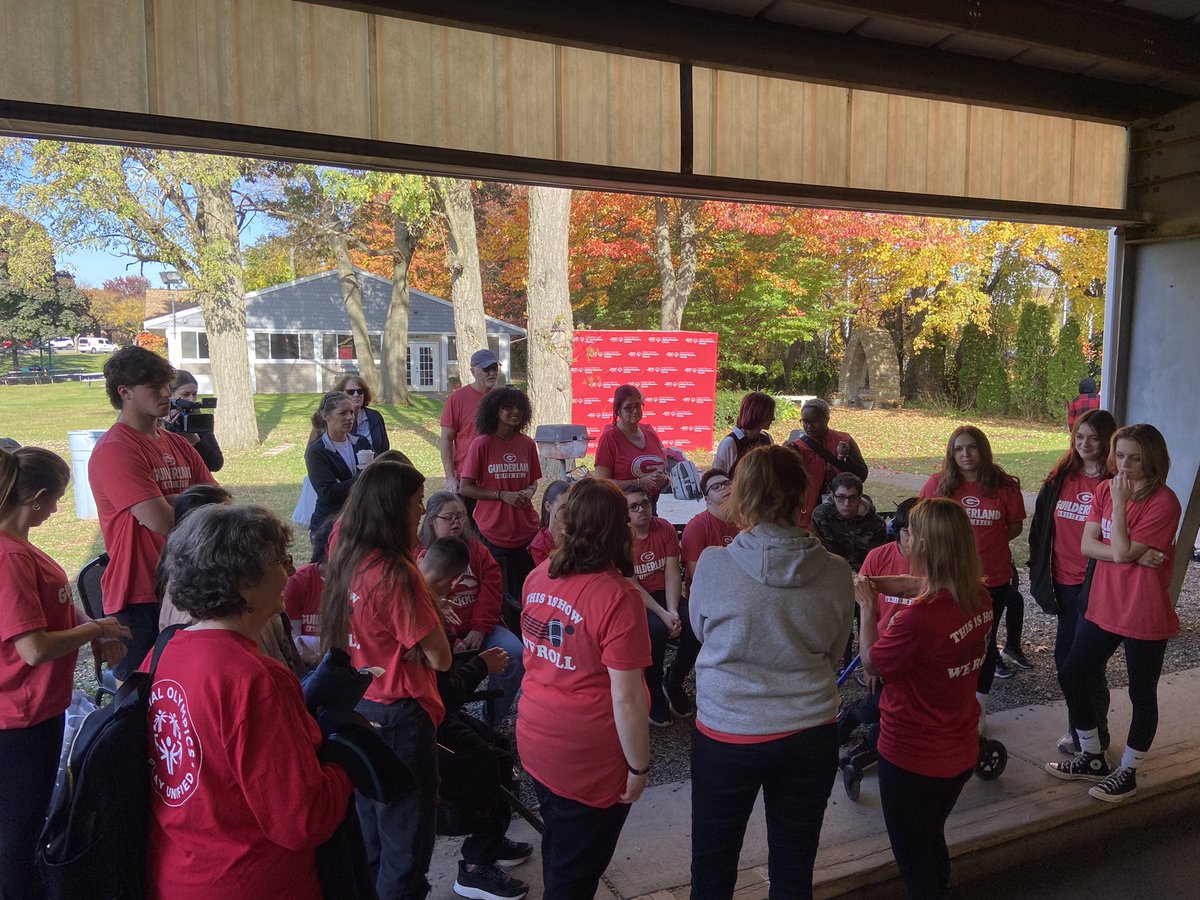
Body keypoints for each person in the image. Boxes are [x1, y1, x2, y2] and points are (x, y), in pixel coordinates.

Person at [144, 504, 356, 900]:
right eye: (279, 560)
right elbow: (302, 821)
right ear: (243, 581)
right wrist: (346, 766)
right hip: (251, 879)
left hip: (179, 873)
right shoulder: (255, 678)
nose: (290, 572)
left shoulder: (163, 652)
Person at [688, 445, 854, 900]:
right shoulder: (837, 572)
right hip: (809, 733)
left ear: (742, 496)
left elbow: (701, 632)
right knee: (794, 868)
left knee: (713, 866)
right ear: (802, 494)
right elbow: (837, 650)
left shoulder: (713, 565)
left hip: (727, 733)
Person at [0, 447, 130, 899]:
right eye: (55, 500)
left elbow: (48, 608)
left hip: (33, 710)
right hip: (21, 717)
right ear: (35, 498)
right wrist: (95, 627)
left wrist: (83, 627)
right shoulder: (10, 557)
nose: (57, 508)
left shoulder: (19, 548)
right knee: (19, 835)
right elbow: (33, 648)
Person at [321, 461, 452, 900]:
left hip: (359, 709)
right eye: (416, 502)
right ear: (393, 508)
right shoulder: (396, 573)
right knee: (407, 849)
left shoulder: (345, 554)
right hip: (401, 716)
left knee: (373, 834)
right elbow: (441, 656)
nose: (420, 512)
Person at [517, 478, 652, 900]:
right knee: (576, 873)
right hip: (587, 759)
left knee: (561, 841)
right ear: (619, 528)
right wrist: (640, 766)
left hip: (537, 738)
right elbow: (626, 698)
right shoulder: (618, 596)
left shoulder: (538, 576)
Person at [855, 498, 992, 900]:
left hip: (913, 756)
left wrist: (867, 609)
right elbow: (917, 585)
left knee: (912, 856)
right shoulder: (977, 597)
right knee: (931, 834)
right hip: (959, 748)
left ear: (926, 546)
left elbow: (872, 663)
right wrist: (874, 584)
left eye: (911, 531)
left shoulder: (918, 619)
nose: (903, 535)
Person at [1046, 424, 1182, 803]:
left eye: (1135, 458)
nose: (1125, 465)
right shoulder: (1105, 489)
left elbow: (1116, 546)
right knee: (1072, 674)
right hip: (1103, 604)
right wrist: (1134, 554)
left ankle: (1128, 771)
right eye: (1119, 456)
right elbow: (1092, 545)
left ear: (1153, 458)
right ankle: (1092, 755)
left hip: (1142, 610)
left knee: (1142, 692)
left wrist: (1121, 513)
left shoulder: (1164, 501)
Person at [88, 346, 216, 680]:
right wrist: (188, 501)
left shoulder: (179, 444)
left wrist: (168, 499)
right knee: (143, 701)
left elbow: (219, 505)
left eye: (166, 385)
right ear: (125, 392)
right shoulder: (115, 450)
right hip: (139, 594)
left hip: (188, 584)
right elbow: (161, 521)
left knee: (187, 689)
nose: (165, 394)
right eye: (154, 387)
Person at [418, 537, 532, 900]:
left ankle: (490, 843)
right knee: (482, 761)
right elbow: (443, 689)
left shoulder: (426, 597)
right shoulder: (420, 610)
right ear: (450, 576)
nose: (454, 588)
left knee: (497, 746)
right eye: (453, 580)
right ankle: (473, 868)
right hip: (421, 717)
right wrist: (482, 665)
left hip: (436, 708)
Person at [920, 425, 1025, 732]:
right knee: (945, 641)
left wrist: (986, 544)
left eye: (972, 448)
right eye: (958, 449)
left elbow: (1015, 526)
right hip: (946, 580)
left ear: (983, 449)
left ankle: (977, 708)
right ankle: (944, 705)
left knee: (984, 642)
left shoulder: (1004, 486)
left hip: (991, 579)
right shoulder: (938, 484)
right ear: (951, 454)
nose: (965, 454)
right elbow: (922, 524)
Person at [1028, 408, 1118, 755]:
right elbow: (1040, 529)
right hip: (1063, 582)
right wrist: (1038, 566)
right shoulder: (1060, 477)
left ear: (1108, 440)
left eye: (1094, 438)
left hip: (1099, 585)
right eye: (1080, 437)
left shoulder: (1115, 482)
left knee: (1086, 665)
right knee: (1066, 660)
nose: (1085, 444)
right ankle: (1077, 729)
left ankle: (1096, 735)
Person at [418, 491, 525, 727]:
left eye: (461, 516)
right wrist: (450, 638)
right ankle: (444, 720)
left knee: (515, 653)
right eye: (449, 517)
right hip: (439, 635)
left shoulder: (477, 551)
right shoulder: (421, 556)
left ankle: (491, 720)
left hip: (481, 630)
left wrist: (479, 628)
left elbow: (492, 590)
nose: (456, 522)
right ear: (431, 521)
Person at [840, 498, 920, 744]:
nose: (914, 541)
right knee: (875, 706)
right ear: (899, 530)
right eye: (908, 532)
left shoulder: (939, 562)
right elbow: (867, 613)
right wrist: (870, 660)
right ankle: (850, 718)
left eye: (922, 533)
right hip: (885, 648)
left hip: (918, 652)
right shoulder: (878, 558)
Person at [458, 386, 542, 608]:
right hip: (492, 532)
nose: (515, 412)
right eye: (507, 408)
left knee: (529, 592)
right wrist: (501, 495)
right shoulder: (482, 444)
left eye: (519, 408)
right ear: (495, 411)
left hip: (526, 531)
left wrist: (529, 491)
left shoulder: (527, 444)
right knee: (499, 595)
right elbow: (465, 488)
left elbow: (533, 481)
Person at [671, 468, 740, 717]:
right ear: (706, 498)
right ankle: (674, 679)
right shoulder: (697, 527)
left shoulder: (746, 521)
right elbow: (700, 578)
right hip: (705, 600)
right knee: (694, 638)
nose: (725, 488)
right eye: (717, 486)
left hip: (741, 597)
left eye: (727, 482)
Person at [623, 484, 684, 727]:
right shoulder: (621, 538)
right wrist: (663, 615)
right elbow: (632, 583)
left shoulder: (665, 528)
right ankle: (654, 690)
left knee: (695, 627)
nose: (641, 510)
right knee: (656, 632)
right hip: (636, 598)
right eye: (634, 506)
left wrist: (674, 611)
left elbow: (672, 573)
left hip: (664, 594)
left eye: (645, 503)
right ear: (625, 512)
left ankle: (675, 679)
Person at [786, 397, 869, 529]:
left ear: (827, 419)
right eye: (805, 421)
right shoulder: (796, 447)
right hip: (811, 510)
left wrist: (845, 458)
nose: (809, 426)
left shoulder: (844, 440)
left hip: (843, 506)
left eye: (815, 421)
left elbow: (862, 474)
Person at [305, 390, 372, 537]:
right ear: (326, 416)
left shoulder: (361, 442)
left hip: (360, 522)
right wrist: (365, 476)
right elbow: (328, 493)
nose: (349, 417)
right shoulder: (317, 452)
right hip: (328, 526)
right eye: (342, 413)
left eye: (351, 412)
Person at [441, 349, 501, 511]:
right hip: (467, 479)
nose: (492, 373)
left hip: (496, 478)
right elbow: (446, 439)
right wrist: (450, 477)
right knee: (465, 529)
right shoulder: (457, 398)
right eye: (486, 369)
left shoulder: (503, 398)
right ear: (473, 371)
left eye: (495, 368)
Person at [594, 385, 670, 505]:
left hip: (650, 506)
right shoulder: (610, 438)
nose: (635, 411)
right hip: (621, 509)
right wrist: (639, 483)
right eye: (628, 407)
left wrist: (664, 480)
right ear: (618, 411)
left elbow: (663, 468)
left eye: (637, 405)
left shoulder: (650, 433)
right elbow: (600, 483)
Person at [283, 519, 335, 669]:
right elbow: (293, 642)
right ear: (328, 548)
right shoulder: (297, 581)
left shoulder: (362, 582)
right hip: (310, 667)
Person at [811, 472, 888, 572]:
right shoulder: (821, 516)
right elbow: (819, 553)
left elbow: (876, 560)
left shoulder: (876, 524)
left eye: (853, 498)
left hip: (864, 575)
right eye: (841, 498)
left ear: (860, 497)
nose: (847, 504)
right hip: (830, 572)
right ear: (833, 496)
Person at [165, 369, 224, 472]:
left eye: (194, 394)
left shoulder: (198, 419)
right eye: (185, 394)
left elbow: (216, 464)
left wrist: (195, 442)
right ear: (170, 395)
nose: (191, 400)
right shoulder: (157, 421)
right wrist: (167, 429)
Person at [711, 391, 775, 479]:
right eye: (770, 414)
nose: (773, 418)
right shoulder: (731, 443)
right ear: (759, 414)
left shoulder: (767, 439)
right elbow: (716, 478)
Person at [332, 373, 391, 454]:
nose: (356, 395)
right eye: (350, 392)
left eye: (360, 391)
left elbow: (384, 449)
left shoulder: (375, 417)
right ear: (340, 394)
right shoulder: (336, 418)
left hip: (374, 465)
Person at [529, 480, 571, 566]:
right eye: (564, 507)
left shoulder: (579, 532)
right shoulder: (539, 545)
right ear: (548, 506)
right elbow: (550, 575)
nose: (569, 511)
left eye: (572, 506)